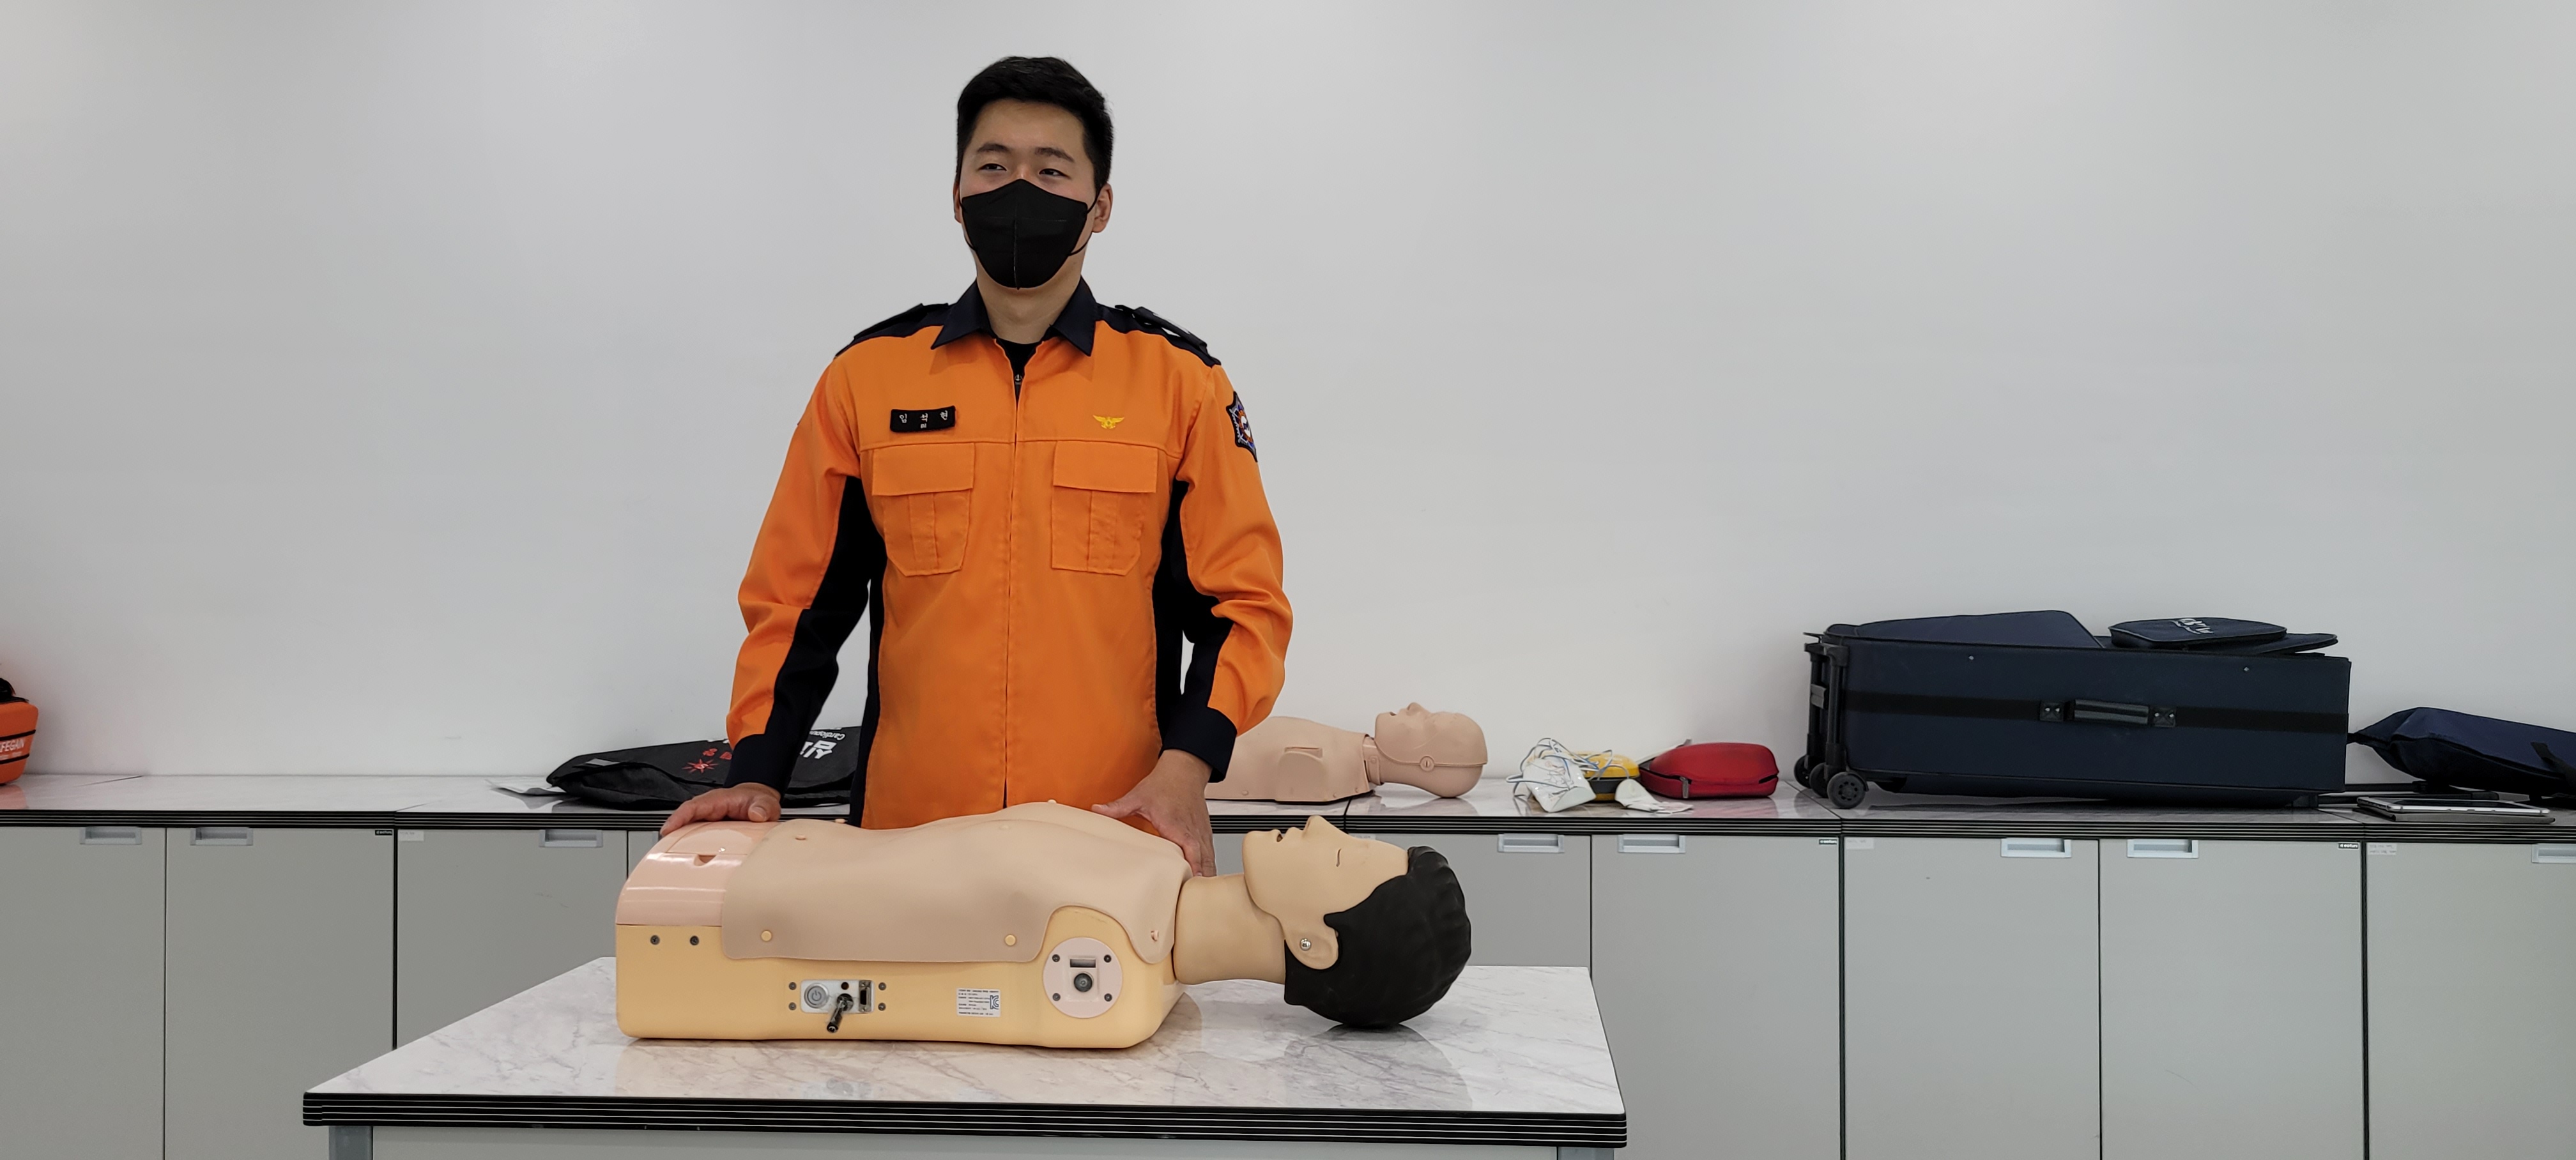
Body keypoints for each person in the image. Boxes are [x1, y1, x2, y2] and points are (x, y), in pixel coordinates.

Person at [659, 56, 1291, 876]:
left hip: (1117, 839)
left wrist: (1187, 769)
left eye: (1051, 170)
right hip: (908, 843)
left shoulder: (1181, 385)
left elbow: (1244, 607)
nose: (1018, 189)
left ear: (1100, 206)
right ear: (957, 197)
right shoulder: (866, 380)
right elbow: (797, 601)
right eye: (994, 166)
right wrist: (757, 771)